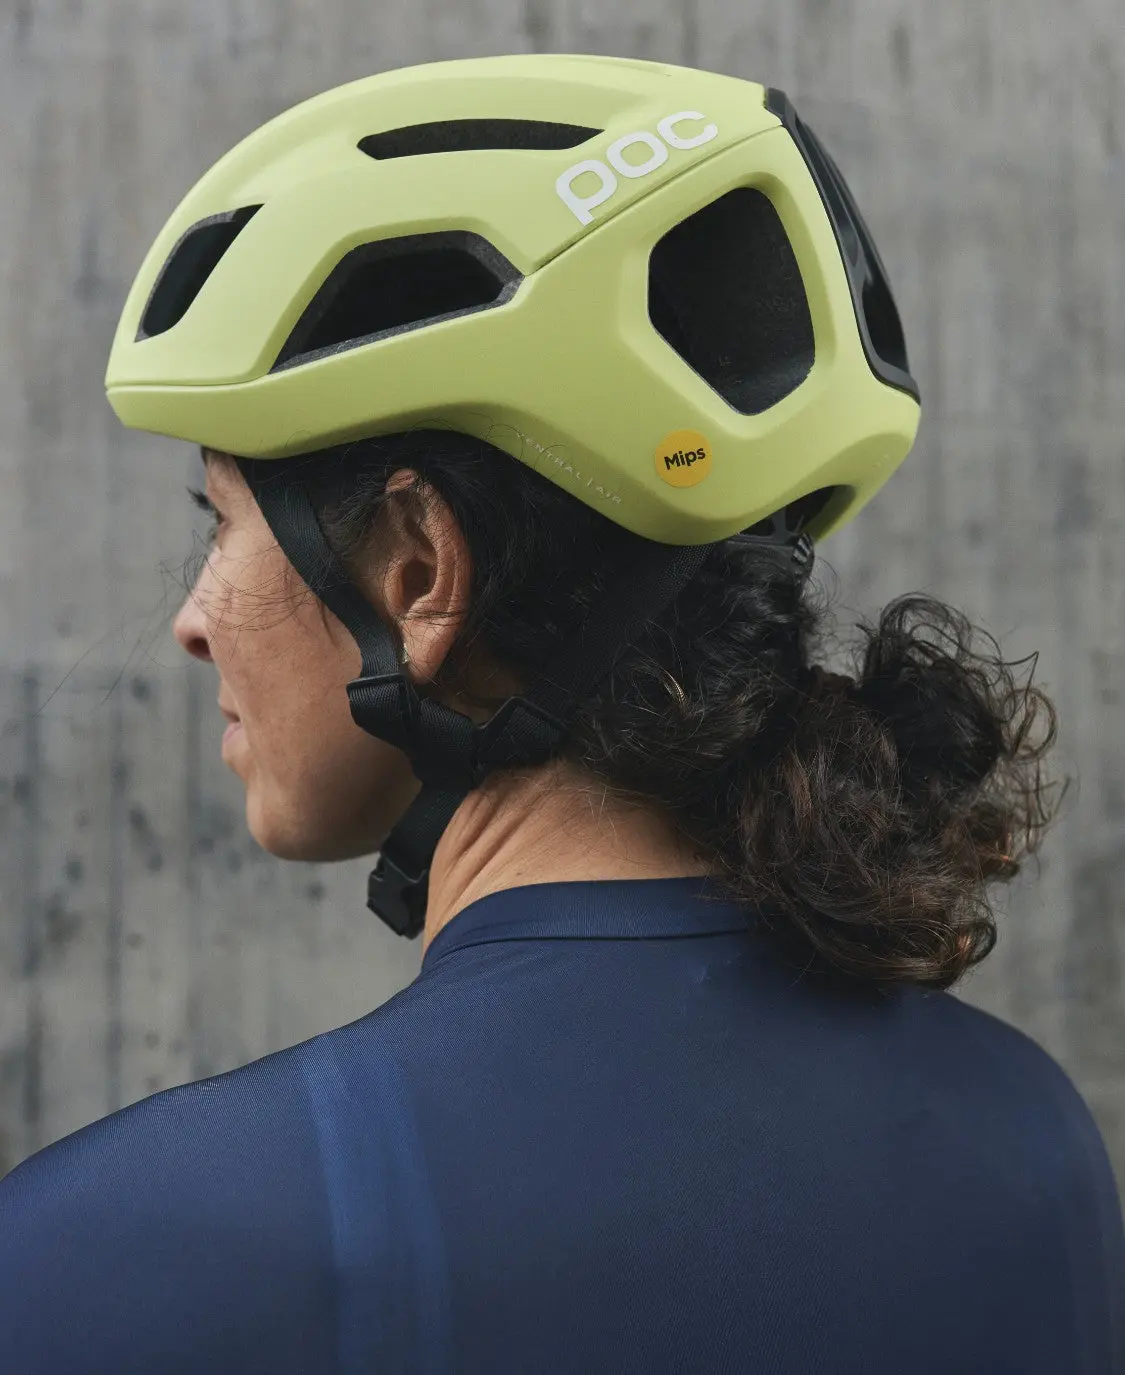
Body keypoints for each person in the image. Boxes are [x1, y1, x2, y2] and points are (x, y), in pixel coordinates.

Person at [1, 52, 1122, 1374]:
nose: (194, 619)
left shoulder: (132, 1250)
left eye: (222, 523)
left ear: (418, 572)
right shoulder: (1033, 1140)